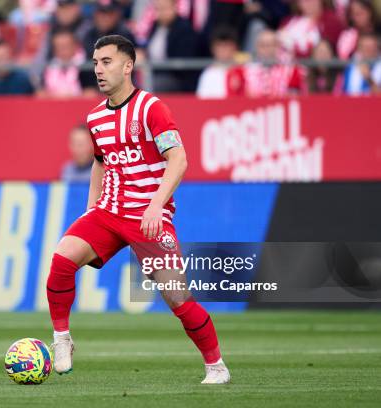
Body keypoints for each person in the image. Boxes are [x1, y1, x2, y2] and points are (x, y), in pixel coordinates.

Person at [47, 34, 230, 384]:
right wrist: (90, 209)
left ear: (128, 66)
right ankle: (62, 339)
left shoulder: (151, 108)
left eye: (107, 62)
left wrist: (155, 206)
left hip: (148, 218)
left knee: (178, 299)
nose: (99, 70)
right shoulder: (95, 117)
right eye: (96, 62)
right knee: (61, 261)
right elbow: (100, 163)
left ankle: (216, 365)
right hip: (108, 212)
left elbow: (179, 159)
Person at [229, 29, 306, 97]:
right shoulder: (245, 71)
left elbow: (296, 97)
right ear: (257, 47)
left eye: (271, 45)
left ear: (278, 46)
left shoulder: (291, 70)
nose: (267, 49)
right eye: (263, 45)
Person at [196, 26, 240, 98]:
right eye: (219, 46)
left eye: (226, 45)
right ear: (213, 49)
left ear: (235, 47)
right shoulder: (208, 74)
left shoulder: (245, 70)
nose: (223, 50)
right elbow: (201, 100)